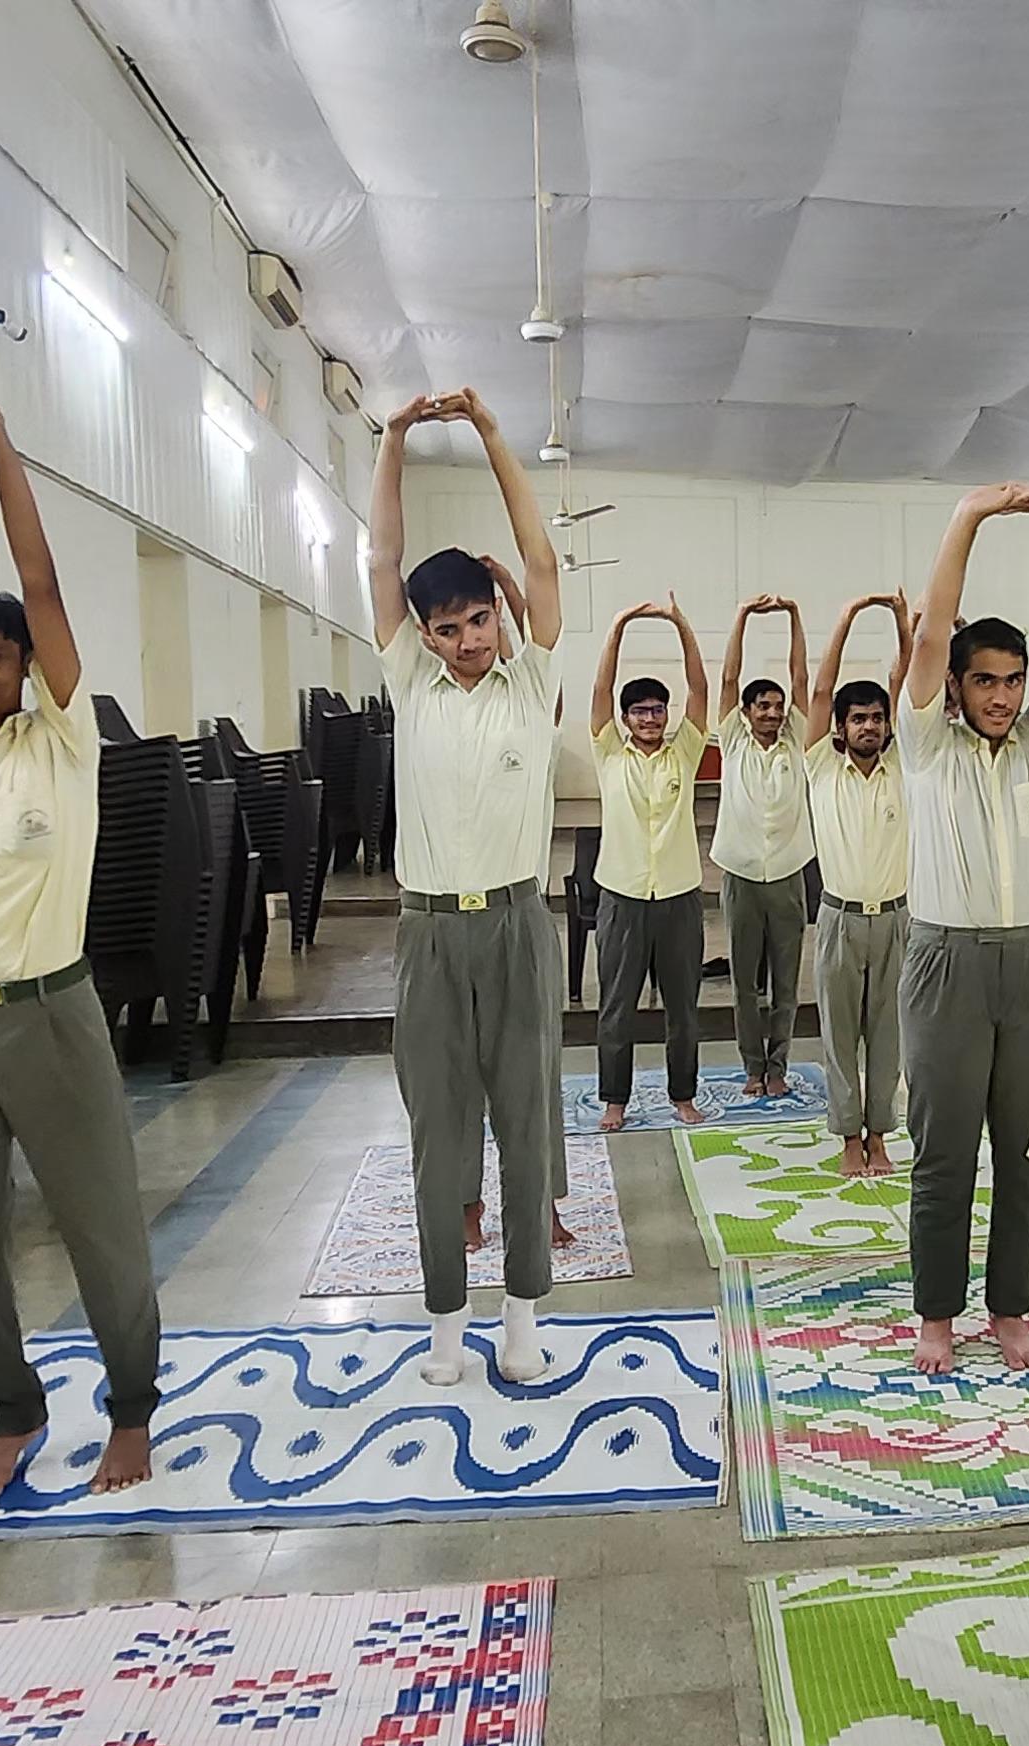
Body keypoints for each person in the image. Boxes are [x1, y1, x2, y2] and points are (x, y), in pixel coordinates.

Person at [0, 365, 164, 1501]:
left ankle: (131, 1406)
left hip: (54, 1016)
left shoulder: (61, 743)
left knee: (99, 1225)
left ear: (22, 669)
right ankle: (8, 1408)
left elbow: (41, 578)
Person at [365, 387, 569, 1385]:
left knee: (524, 1124)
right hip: (430, 934)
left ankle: (521, 1316)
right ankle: (445, 1325)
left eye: (479, 619)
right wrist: (396, 438)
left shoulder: (533, 682)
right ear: (423, 636)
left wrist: (494, 433)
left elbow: (540, 560)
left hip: (519, 925)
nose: (468, 640)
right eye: (446, 629)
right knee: (436, 1132)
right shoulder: (410, 680)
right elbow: (379, 560)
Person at [896, 484, 1029, 1374]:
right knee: (945, 1152)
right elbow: (929, 637)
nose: (1002, 696)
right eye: (985, 682)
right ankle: (937, 1312)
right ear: (957, 688)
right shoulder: (926, 745)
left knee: (1027, 1152)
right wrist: (969, 519)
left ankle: (1012, 1308)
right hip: (946, 964)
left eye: (1012, 681)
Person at [589, 596, 710, 1130]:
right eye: (639, 712)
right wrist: (618, 624)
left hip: (680, 897)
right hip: (621, 896)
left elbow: (701, 691)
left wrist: (682, 624)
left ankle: (682, 1095)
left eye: (658, 710)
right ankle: (615, 1099)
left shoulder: (683, 750)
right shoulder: (608, 753)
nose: (650, 719)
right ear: (624, 719)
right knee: (617, 1007)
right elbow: (598, 691)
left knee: (682, 1010)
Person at [806, 594, 913, 1179]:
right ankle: (849, 1137)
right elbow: (820, 693)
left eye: (877, 717)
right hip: (839, 919)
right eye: (858, 719)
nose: (869, 726)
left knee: (889, 1038)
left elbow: (905, 677)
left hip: (898, 919)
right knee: (840, 1037)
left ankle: (880, 1136)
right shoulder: (822, 766)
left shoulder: (905, 767)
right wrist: (845, 619)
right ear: (842, 730)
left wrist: (899, 623)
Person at [716, 596, 816, 1099]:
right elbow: (729, 677)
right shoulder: (732, 738)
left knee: (785, 983)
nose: (774, 713)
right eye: (764, 706)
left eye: (778, 707)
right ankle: (752, 1066)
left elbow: (802, 679)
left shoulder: (796, 738)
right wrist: (743, 619)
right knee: (744, 985)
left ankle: (779, 1065)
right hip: (739, 875)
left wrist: (794, 619)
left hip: (788, 874)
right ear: (747, 712)